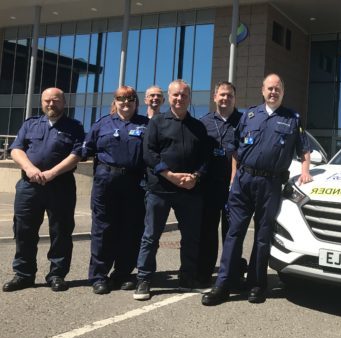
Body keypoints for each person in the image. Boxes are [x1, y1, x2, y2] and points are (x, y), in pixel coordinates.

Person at [202, 73, 312, 306]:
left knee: (262, 236)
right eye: (269, 88)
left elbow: (304, 149)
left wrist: (305, 171)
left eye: (278, 89)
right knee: (234, 232)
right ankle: (223, 283)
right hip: (243, 181)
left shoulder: (292, 119)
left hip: (270, 184)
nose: (273, 92)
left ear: (283, 92)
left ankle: (256, 283)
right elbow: (235, 150)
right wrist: (233, 179)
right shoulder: (249, 115)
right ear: (262, 91)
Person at [133, 79, 212, 301]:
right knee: (151, 236)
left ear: (189, 98)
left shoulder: (198, 126)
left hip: (190, 190)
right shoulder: (157, 122)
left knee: (191, 237)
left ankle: (187, 279)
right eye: (176, 95)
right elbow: (149, 153)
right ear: (169, 97)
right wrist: (170, 175)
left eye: (184, 95)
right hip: (160, 189)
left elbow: (205, 159)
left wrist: (195, 177)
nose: (179, 99)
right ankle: (144, 279)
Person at [3, 87, 84, 292]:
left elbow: (76, 154)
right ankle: (24, 274)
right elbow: (16, 149)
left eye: (55, 100)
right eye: (47, 100)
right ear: (42, 103)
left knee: (61, 231)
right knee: (23, 231)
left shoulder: (74, 127)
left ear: (64, 103)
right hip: (29, 186)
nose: (51, 104)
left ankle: (56, 274)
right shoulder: (30, 124)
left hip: (60, 186)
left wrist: (53, 173)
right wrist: (30, 169)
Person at [82, 86, 150, 295]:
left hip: (134, 182)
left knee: (130, 229)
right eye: (121, 99)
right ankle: (99, 276)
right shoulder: (102, 124)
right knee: (103, 228)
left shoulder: (146, 125)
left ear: (136, 102)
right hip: (106, 182)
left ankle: (122, 273)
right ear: (115, 101)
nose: (125, 103)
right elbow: (85, 149)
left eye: (130, 99)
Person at [198, 81, 243, 286]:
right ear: (215, 97)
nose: (225, 98)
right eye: (222, 95)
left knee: (231, 233)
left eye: (229, 95)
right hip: (209, 187)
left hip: (235, 187)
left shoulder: (244, 122)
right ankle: (205, 273)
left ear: (235, 98)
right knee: (207, 231)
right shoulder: (204, 123)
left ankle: (231, 275)